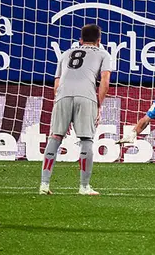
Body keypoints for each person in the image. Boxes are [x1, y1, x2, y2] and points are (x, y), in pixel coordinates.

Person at [40, 24, 112, 196]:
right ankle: (84, 187)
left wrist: (60, 101)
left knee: (55, 137)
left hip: (63, 95)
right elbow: (105, 80)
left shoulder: (66, 54)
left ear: (80, 40)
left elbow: (56, 82)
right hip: (86, 96)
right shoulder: (103, 54)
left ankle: (44, 184)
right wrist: (98, 105)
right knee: (86, 139)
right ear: (99, 41)